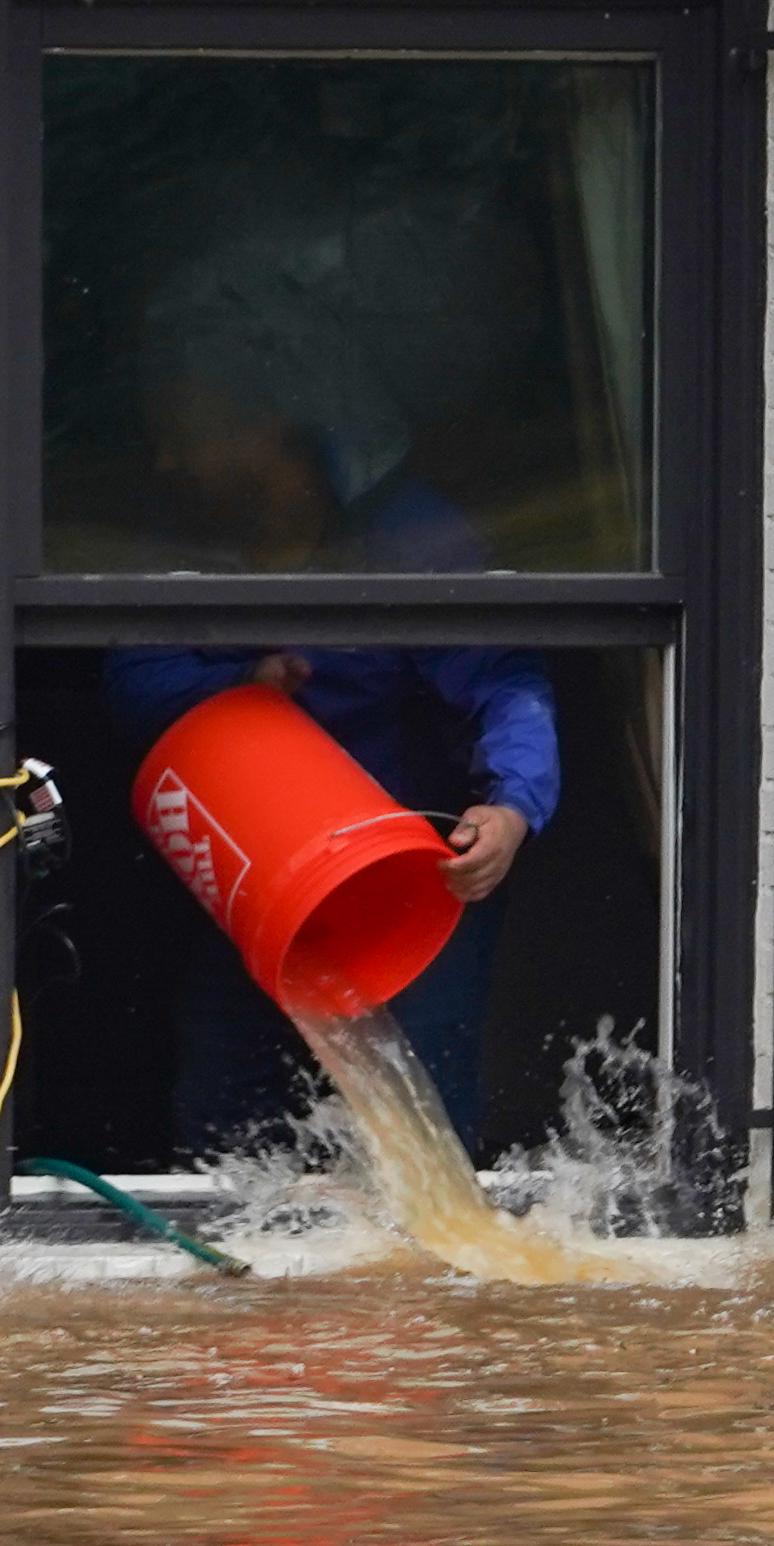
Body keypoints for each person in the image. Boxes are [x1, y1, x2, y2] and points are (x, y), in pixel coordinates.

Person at [103, 375, 557, 1150]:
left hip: (414, 884)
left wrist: (513, 806)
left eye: (190, 434)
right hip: (253, 877)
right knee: (222, 1126)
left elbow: (506, 681)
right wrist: (237, 686)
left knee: (420, 1134)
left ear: (270, 423)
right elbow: (129, 677)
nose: (170, 461)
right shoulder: (185, 536)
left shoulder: (409, 538)